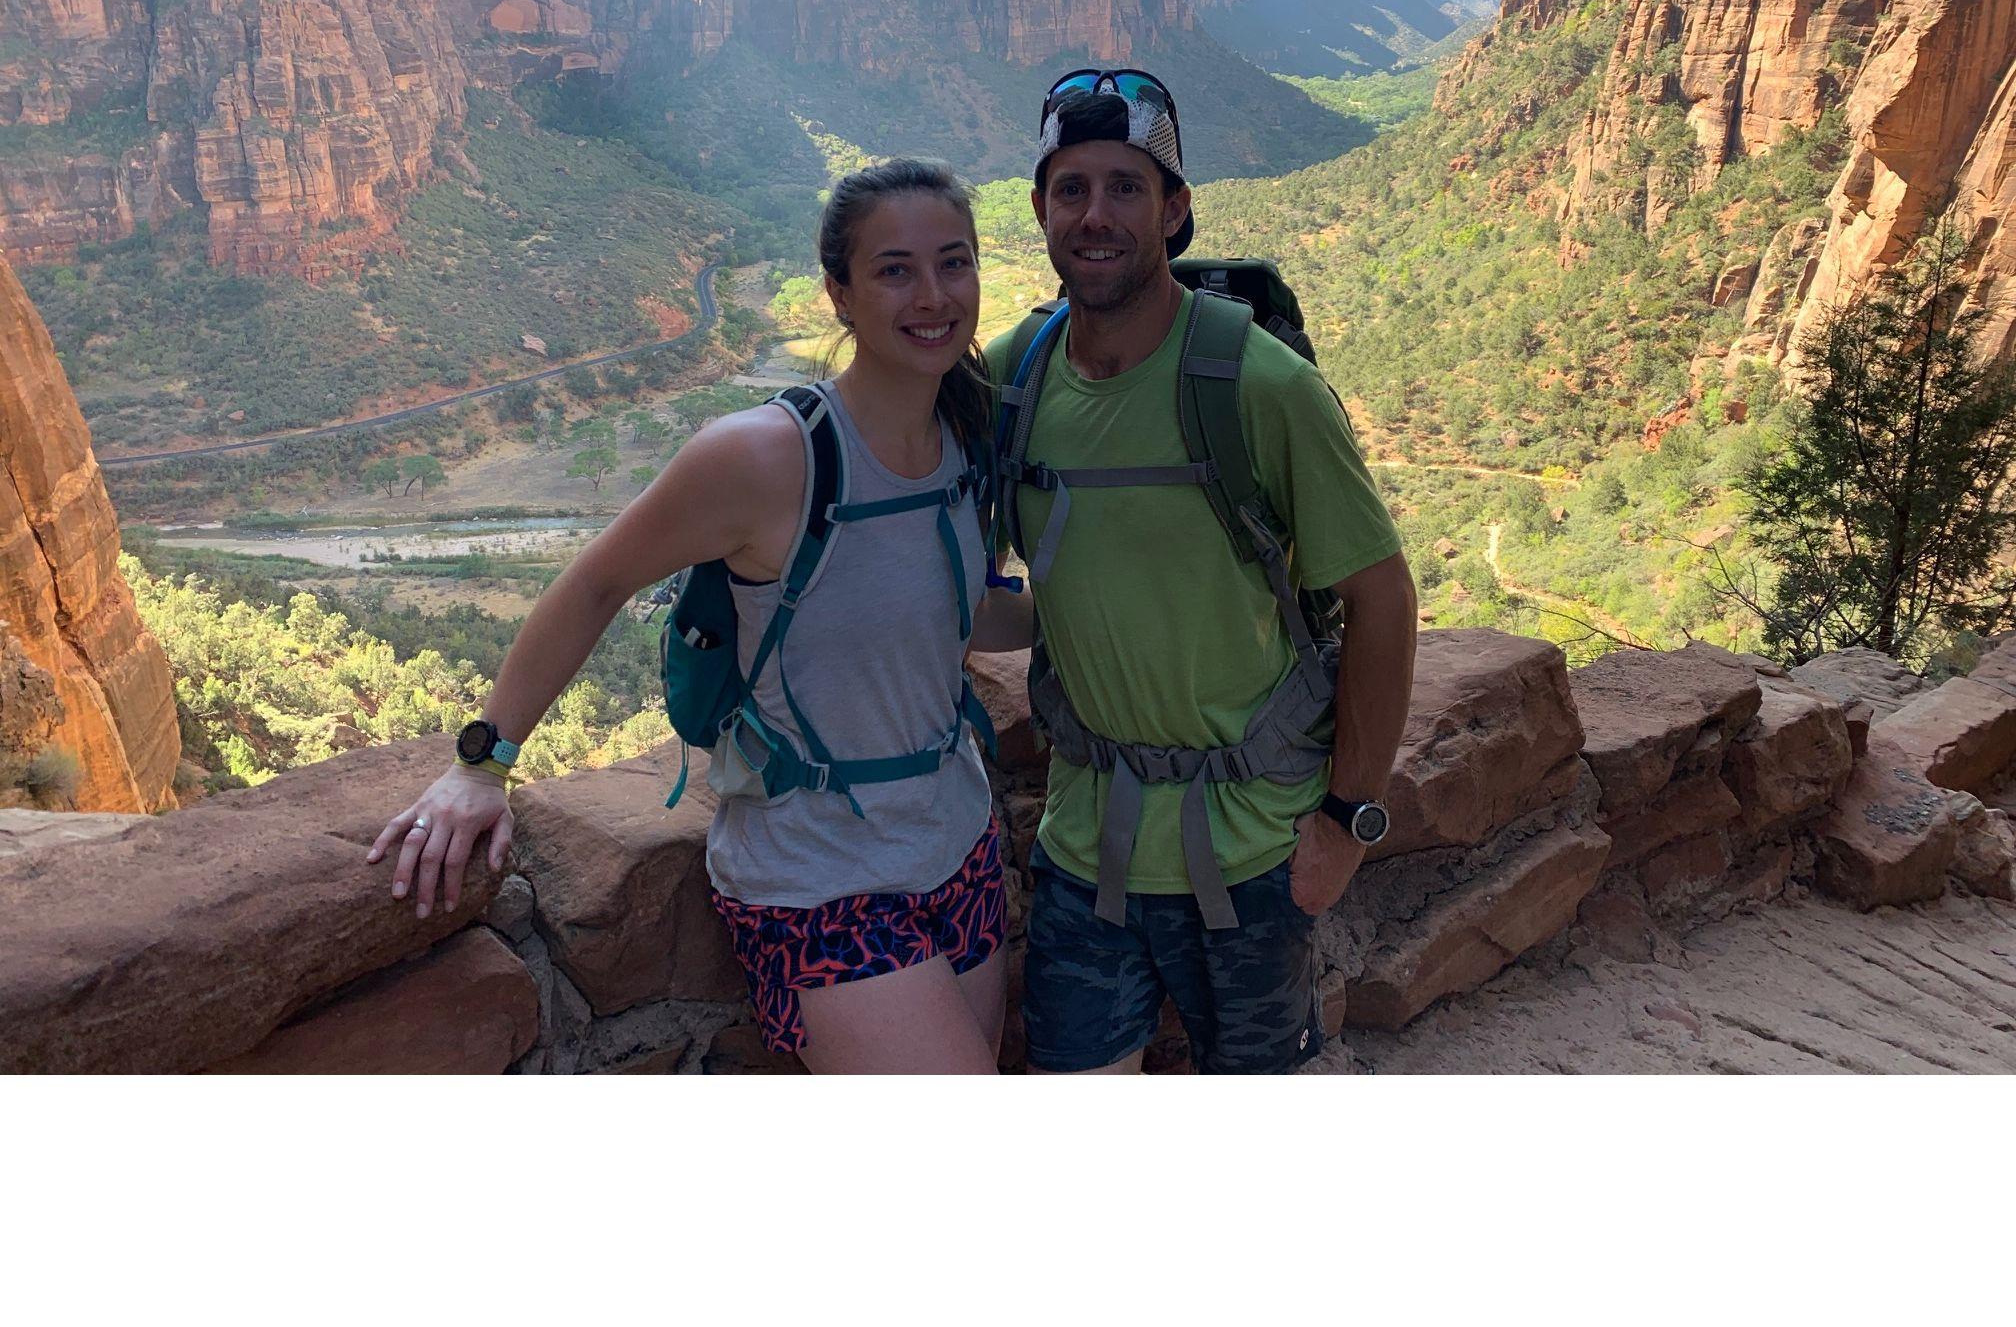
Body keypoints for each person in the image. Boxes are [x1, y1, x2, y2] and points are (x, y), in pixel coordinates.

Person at [368, 158, 1014, 1075]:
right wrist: (483, 764)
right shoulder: (766, 457)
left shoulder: (967, 434)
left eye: (954, 262)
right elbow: (595, 584)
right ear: (839, 293)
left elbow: (959, 616)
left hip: (960, 841)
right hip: (822, 875)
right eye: (894, 270)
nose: (934, 295)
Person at [984, 68, 1417, 1075]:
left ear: (1175, 210)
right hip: (1083, 850)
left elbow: (1383, 599)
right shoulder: (1015, 376)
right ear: (1040, 210)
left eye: (1127, 188)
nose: (1097, 215)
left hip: (1256, 850)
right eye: (1072, 189)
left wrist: (1348, 823)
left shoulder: (1262, 385)